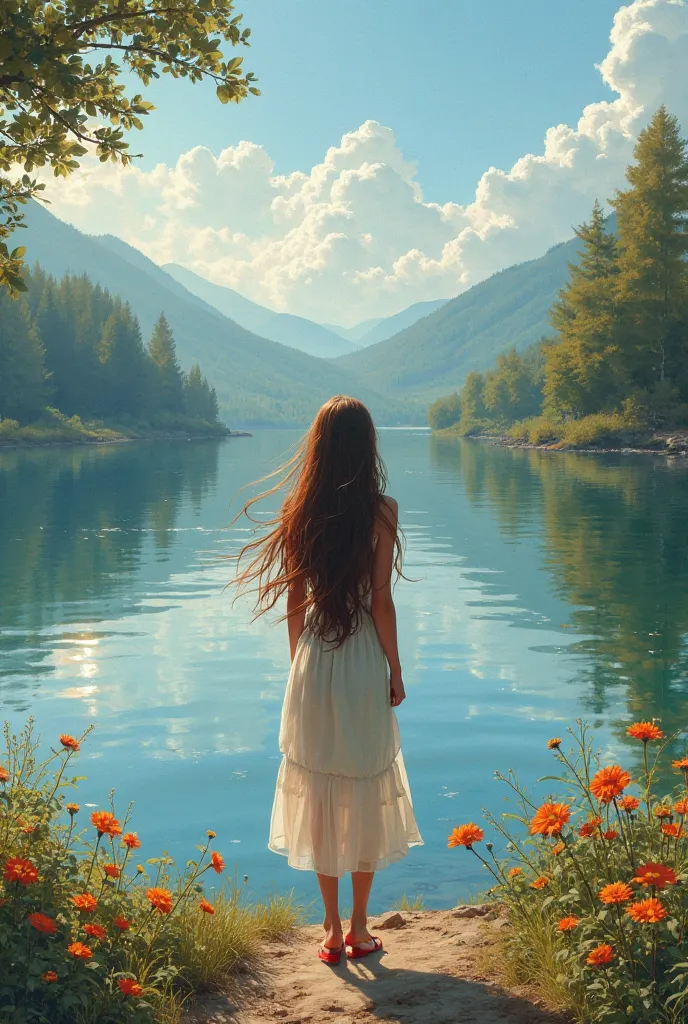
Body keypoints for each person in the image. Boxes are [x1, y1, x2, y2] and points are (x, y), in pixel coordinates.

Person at [234, 395, 422, 965]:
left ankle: (331, 929)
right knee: (365, 779)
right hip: (363, 652)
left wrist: (299, 665)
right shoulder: (382, 509)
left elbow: (294, 600)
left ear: (318, 446)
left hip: (315, 653)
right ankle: (363, 928)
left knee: (318, 786)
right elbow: (382, 602)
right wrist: (395, 666)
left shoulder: (300, 508)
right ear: (369, 446)